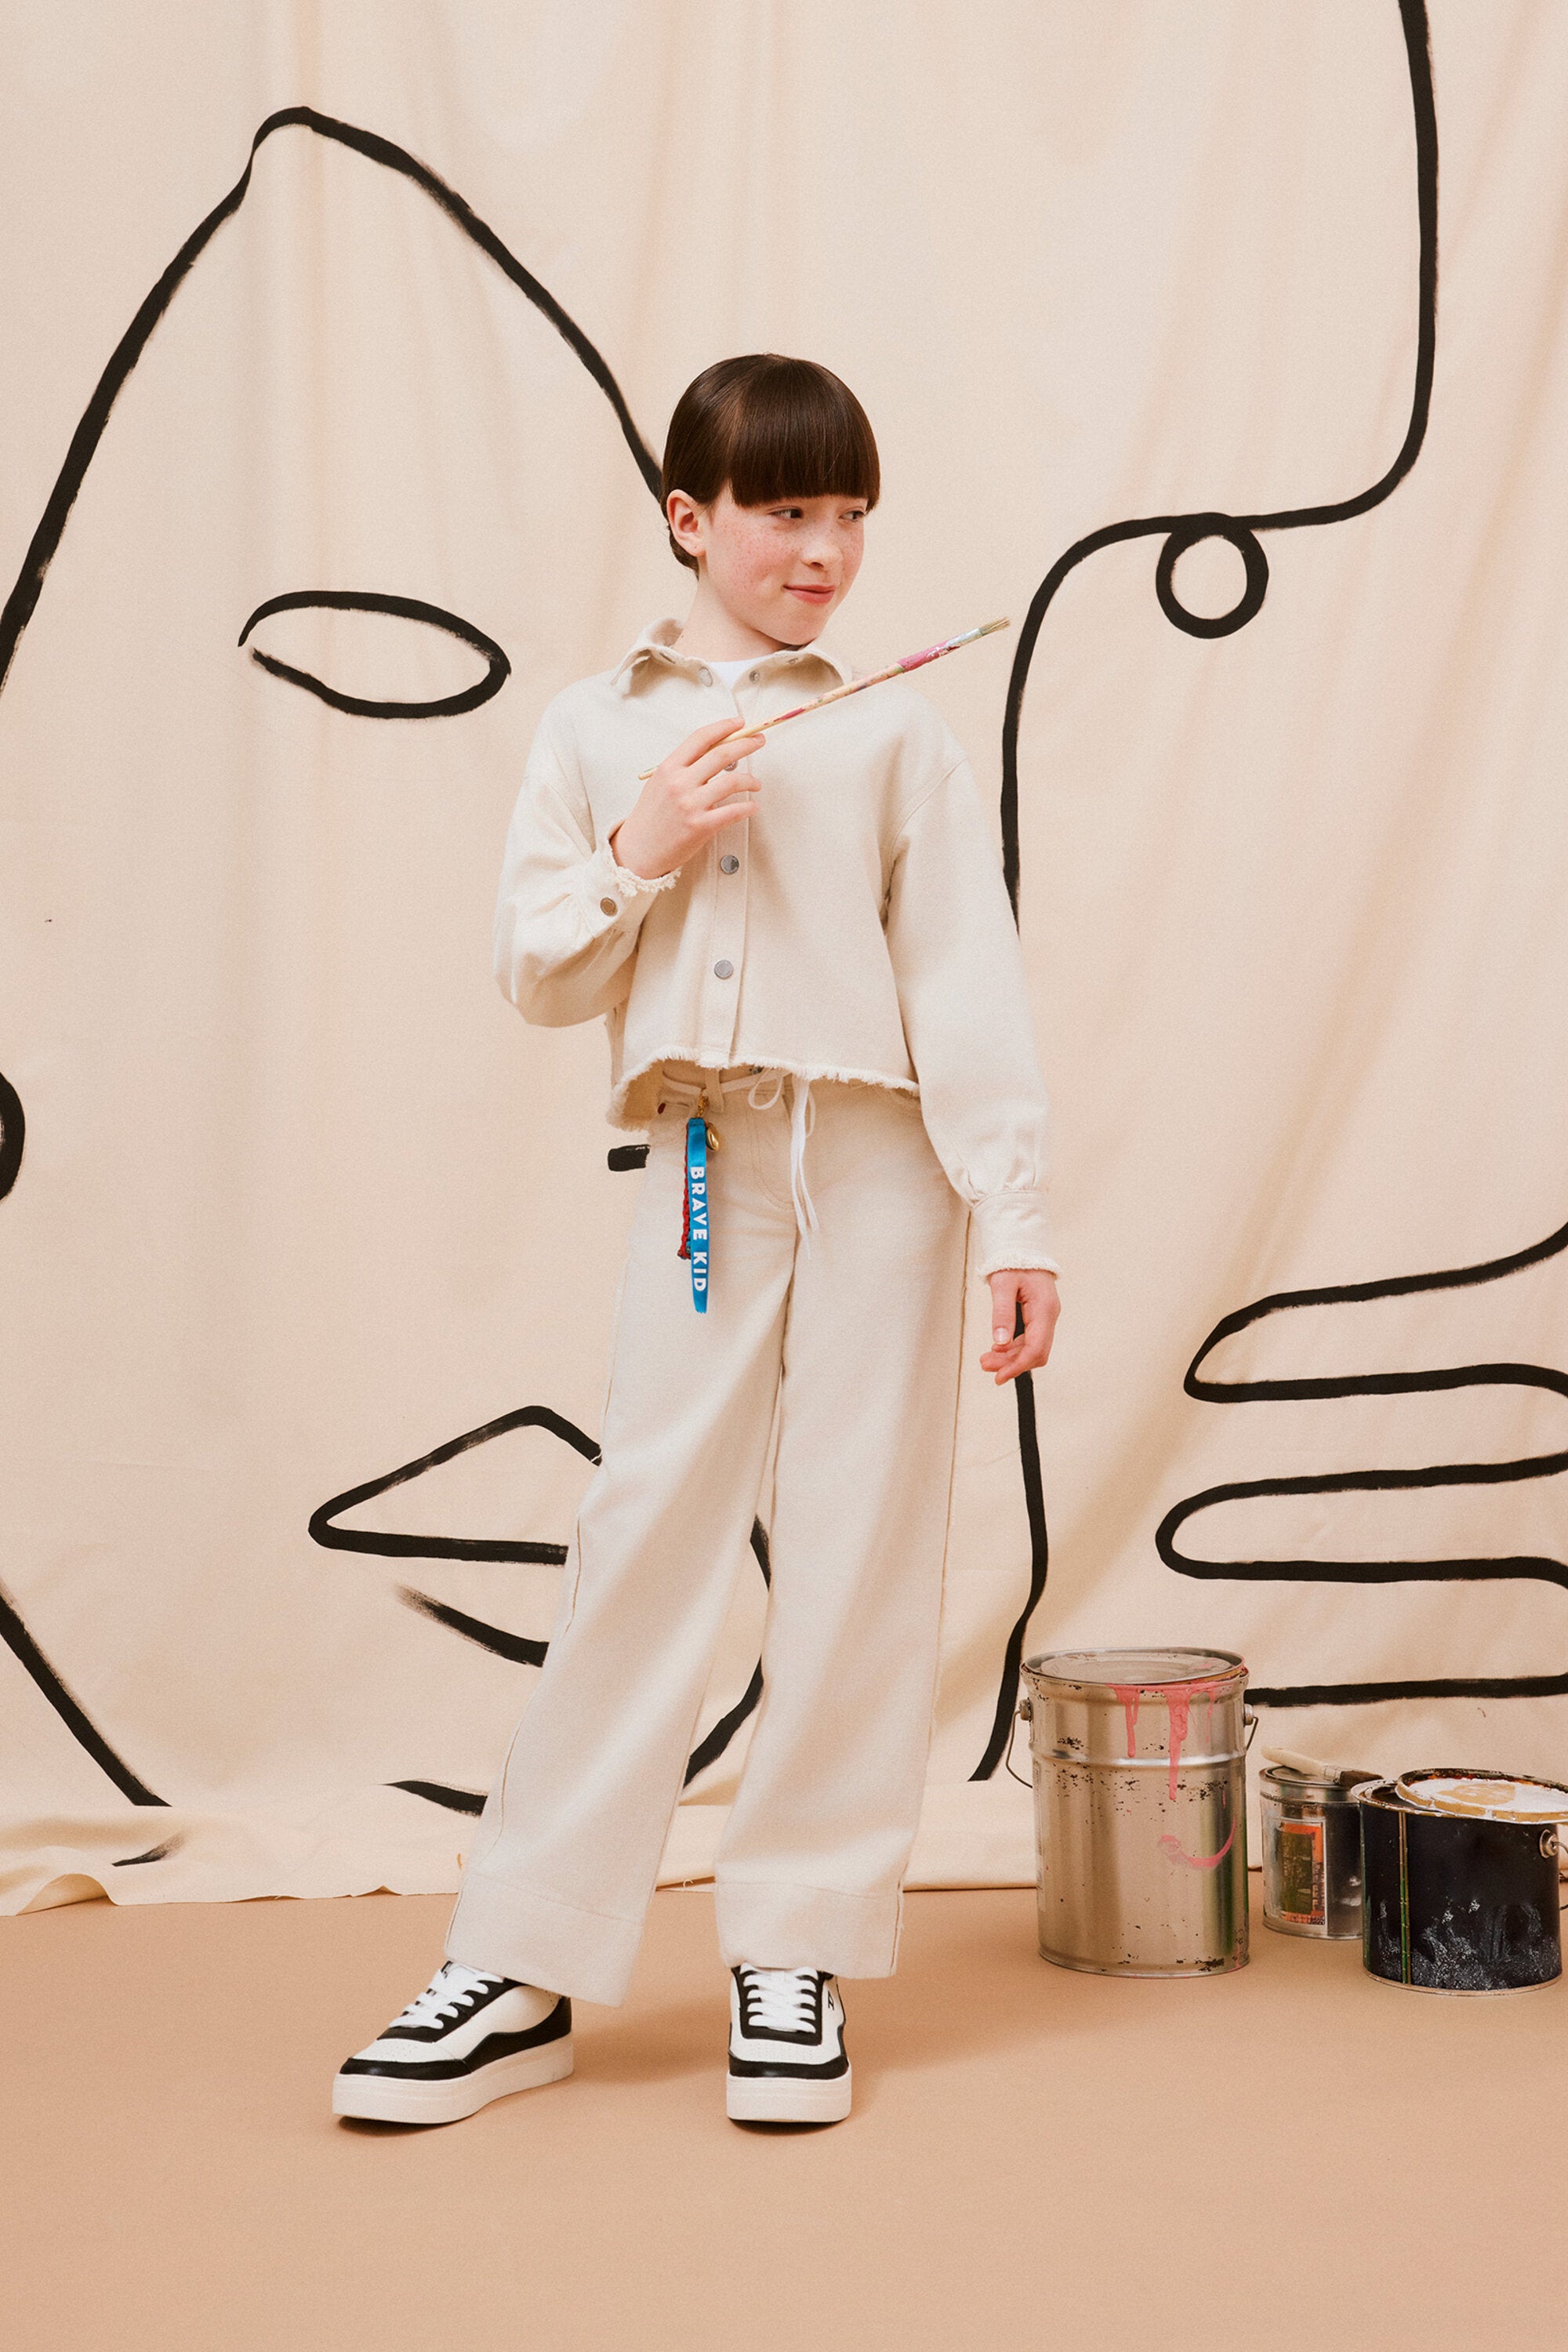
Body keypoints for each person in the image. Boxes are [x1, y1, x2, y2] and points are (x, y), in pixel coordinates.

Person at [333, 354, 1059, 2130]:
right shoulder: (592, 727)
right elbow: (539, 972)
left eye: (848, 513)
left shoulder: (892, 728)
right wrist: (643, 845)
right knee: (644, 1529)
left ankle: (793, 1946)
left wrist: (1017, 1214)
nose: (825, 550)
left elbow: (966, 981)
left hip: (883, 1161)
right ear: (690, 517)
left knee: (861, 1543)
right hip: (703, 1157)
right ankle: (520, 1958)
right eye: (784, 510)